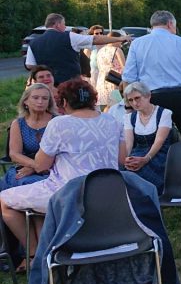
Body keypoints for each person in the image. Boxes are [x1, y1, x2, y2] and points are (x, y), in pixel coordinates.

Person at [1, 79, 123, 253]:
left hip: (69, 195)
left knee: (4, 200)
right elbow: (122, 158)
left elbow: (41, 165)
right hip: (108, 192)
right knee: (35, 194)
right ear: (93, 100)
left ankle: (35, 252)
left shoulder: (59, 124)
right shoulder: (112, 120)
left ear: (64, 102)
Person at [122, 11, 181, 141]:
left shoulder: (137, 44)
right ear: (170, 24)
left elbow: (128, 79)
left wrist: (129, 105)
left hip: (152, 98)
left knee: (153, 142)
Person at [25, 13, 126, 85]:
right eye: (64, 24)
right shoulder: (70, 37)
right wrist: (119, 38)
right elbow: (95, 39)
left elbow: (30, 65)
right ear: (57, 24)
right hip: (70, 84)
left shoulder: (33, 43)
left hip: (47, 85)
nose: (65, 27)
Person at [1, 84, 57, 192]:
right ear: (25, 101)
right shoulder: (18, 123)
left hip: (54, 169)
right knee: (21, 180)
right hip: (25, 166)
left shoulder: (57, 122)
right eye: (35, 98)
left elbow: (62, 152)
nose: (40, 101)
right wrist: (36, 166)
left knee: (40, 185)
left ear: (49, 102)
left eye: (45, 98)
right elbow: (14, 154)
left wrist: (37, 168)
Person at [121, 82, 175, 194]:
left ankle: (145, 201)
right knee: (127, 170)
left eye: (137, 98)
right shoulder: (129, 117)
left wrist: (146, 159)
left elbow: (159, 141)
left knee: (138, 173)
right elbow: (129, 144)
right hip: (138, 154)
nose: (135, 103)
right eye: (131, 100)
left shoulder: (164, 113)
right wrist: (126, 159)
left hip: (160, 155)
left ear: (148, 96)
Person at [91, 30, 125, 109]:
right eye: (120, 41)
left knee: (104, 107)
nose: (121, 43)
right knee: (116, 107)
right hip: (115, 81)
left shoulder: (100, 51)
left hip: (102, 81)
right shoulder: (117, 50)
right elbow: (124, 67)